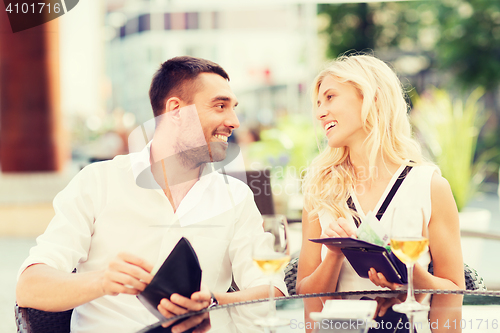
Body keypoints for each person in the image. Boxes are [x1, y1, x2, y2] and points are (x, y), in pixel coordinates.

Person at [16, 56, 287, 333]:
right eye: (220, 106)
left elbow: (271, 290)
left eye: (233, 108)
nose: (234, 122)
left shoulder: (237, 197)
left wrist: (215, 303)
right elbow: (30, 287)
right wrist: (102, 281)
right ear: (176, 110)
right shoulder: (98, 182)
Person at [296, 54, 465, 329]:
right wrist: (336, 254)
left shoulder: (429, 185)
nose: (319, 112)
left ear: (370, 98)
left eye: (330, 97)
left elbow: (452, 294)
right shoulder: (319, 188)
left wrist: (410, 276)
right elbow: (307, 296)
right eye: (318, 103)